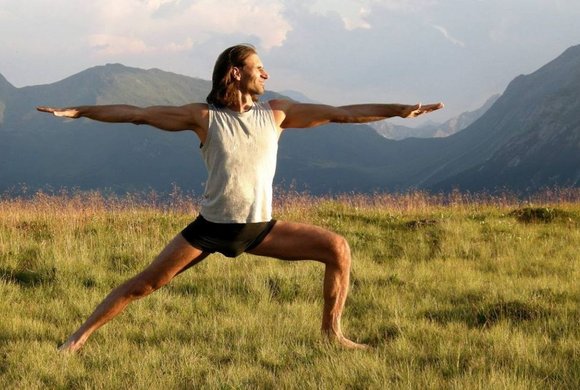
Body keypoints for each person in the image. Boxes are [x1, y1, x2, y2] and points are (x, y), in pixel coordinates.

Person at [37, 44, 443, 352]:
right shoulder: (204, 117)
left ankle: (331, 334)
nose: (266, 73)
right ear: (236, 73)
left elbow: (342, 112)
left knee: (337, 248)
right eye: (258, 67)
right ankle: (74, 341)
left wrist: (398, 110)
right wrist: (78, 111)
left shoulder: (278, 113)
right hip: (209, 230)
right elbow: (136, 112)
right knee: (143, 285)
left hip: (259, 230)